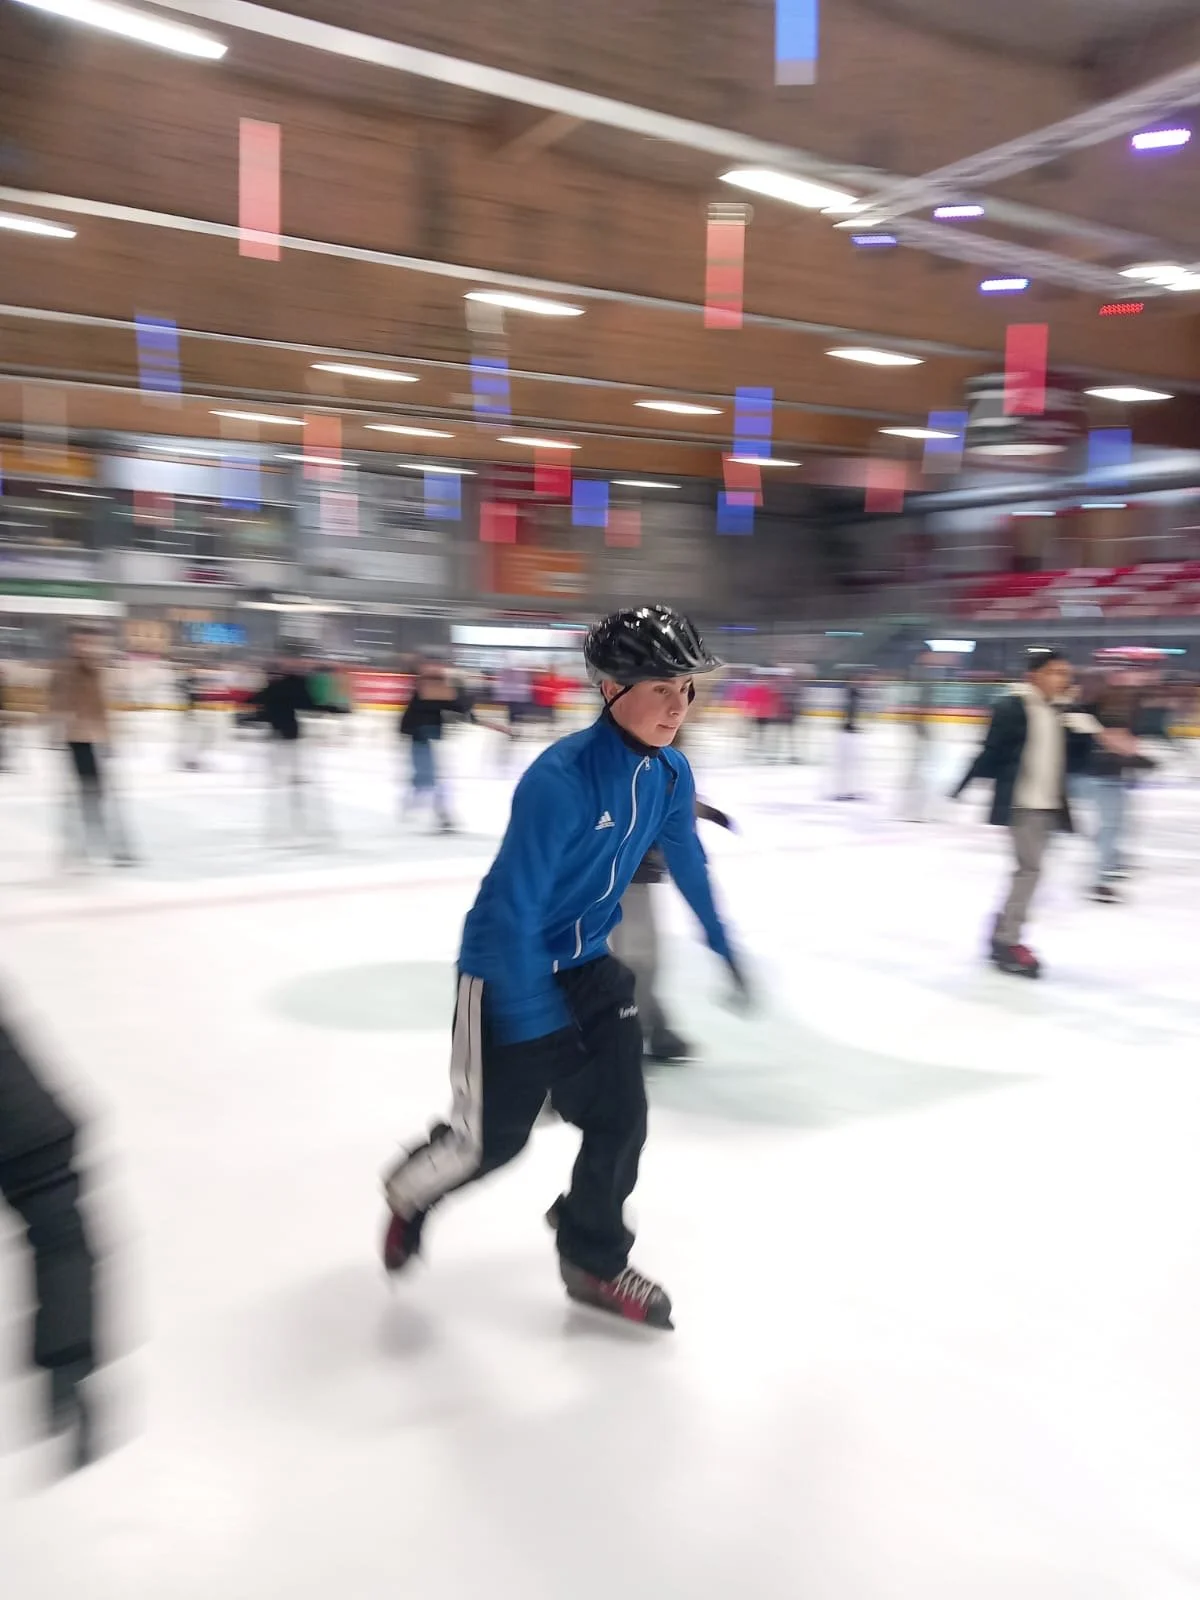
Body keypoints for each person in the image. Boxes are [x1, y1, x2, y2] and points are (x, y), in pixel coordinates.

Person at [380, 605, 746, 1330]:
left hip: (589, 966)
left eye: (688, 689)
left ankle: (593, 1255)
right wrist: (536, 1017)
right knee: (494, 1141)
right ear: (611, 689)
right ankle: (408, 1191)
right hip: (506, 969)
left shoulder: (671, 773)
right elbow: (512, 908)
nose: (679, 705)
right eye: (661, 687)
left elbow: (690, 865)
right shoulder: (560, 779)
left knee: (622, 1119)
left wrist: (722, 940)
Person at [953, 646, 1135, 978]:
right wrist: (962, 784)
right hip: (1022, 803)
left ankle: (1001, 930)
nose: (1063, 679)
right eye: (1056, 672)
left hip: (1050, 804)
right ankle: (1007, 939)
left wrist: (1108, 740)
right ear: (1033, 675)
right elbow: (991, 751)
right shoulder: (1013, 706)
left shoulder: (1061, 709)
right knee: (1029, 871)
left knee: (1030, 872)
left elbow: (1084, 741)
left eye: (1066, 674)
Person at [0, 1007, 98, 1468]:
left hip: (18, 1134)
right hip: (41, 1127)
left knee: (60, 1240)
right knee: (62, 1241)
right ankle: (70, 1375)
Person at [611, 798, 736, 1063]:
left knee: (639, 959)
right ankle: (623, 1038)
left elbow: (676, 798)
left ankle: (656, 1030)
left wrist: (711, 813)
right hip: (614, 875)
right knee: (638, 960)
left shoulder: (666, 781)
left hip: (631, 875)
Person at [48, 628, 136, 867]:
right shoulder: (67, 671)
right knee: (86, 793)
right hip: (78, 739)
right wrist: (55, 732)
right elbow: (57, 704)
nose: (84, 648)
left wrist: (111, 739)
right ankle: (82, 846)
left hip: (97, 738)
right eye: (79, 643)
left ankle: (112, 846)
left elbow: (103, 707)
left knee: (100, 794)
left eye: (88, 643)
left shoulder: (97, 670)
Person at [398, 662, 476, 832]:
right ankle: (433, 810)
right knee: (430, 778)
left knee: (431, 778)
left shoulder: (425, 692)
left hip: (426, 739)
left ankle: (438, 813)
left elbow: (459, 707)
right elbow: (460, 705)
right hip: (424, 739)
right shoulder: (430, 691)